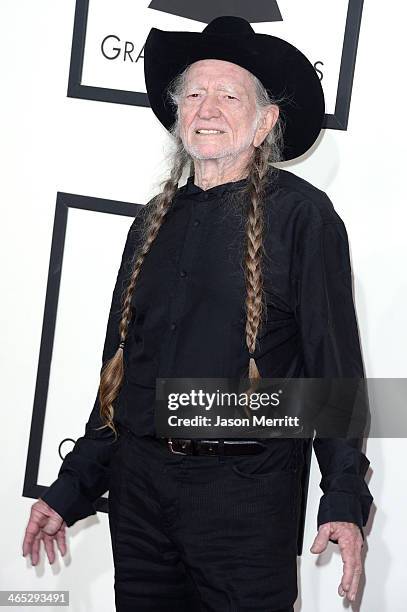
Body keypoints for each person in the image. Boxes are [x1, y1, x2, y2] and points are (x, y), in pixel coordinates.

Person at [22, 16, 373, 611]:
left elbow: (333, 378)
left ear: (265, 123)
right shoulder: (151, 223)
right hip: (139, 503)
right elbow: (120, 380)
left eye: (229, 94)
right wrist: (73, 487)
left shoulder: (303, 218)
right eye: (194, 93)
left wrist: (343, 500)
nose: (208, 106)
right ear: (178, 114)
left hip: (246, 504)